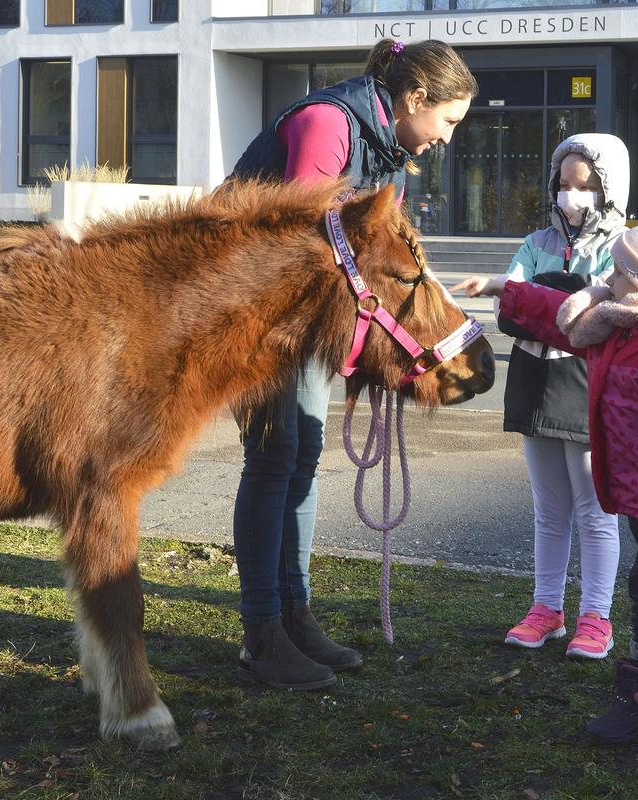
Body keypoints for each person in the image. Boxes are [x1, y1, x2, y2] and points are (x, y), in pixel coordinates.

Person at [226, 39, 477, 691]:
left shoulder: (376, 142)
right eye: (448, 121)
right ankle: (263, 634)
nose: (446, 139)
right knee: (275, 456)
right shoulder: (329, 123)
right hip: (255, 313)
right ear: (415, 99)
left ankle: (294, 616)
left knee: (302, 451)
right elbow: (305, 246)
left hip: (300, 318)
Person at [452, 199, 638, 744]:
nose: (610, 278)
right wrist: (499, 289)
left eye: (622, 272)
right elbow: (558, 318)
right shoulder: (622, 326)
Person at [497, 133, 629, 660]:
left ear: (607, 187)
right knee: (548, 510)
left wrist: (545, 301)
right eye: (564, 183)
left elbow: (602, 322)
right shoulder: (534, 242)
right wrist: (565, 299)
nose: (571, 194)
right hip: (534, 383)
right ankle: (546, 608)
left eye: (584, 185)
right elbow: (510, 308)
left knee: (596, 510)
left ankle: (597, 616)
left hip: (589, 389)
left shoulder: (623, 246)